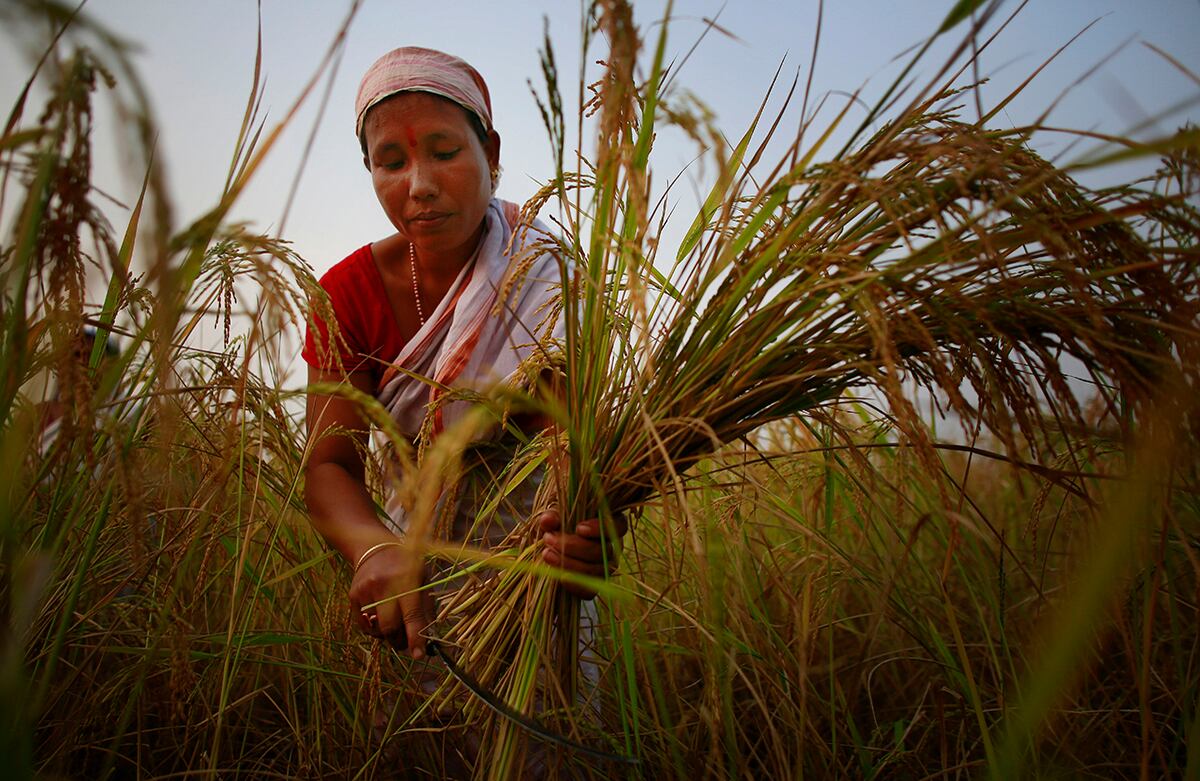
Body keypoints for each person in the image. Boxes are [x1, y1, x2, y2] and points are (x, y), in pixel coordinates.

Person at [302, 47, 624, 663]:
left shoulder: (546, 276)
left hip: (539, 579)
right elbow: (328, 465)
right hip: (409, 582)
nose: (418, 186)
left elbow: (575, 450)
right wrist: (374, 550)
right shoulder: (346, 294)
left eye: (445, 152)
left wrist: (593, 529)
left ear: (492, 154)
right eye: (389, 162)